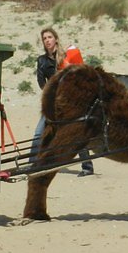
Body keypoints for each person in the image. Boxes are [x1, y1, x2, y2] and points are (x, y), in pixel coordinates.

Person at [31, 27, 95, 177]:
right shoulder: (42, 61)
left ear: (56, 39)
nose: (47, 40)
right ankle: (31, 164)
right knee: (39, 133)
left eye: (49, 37)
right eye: (44, 38)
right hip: (52, 104)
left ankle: (87, 167)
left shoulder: (66, 57)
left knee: (74, 133)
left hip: (68, 104)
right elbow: (41, 83)